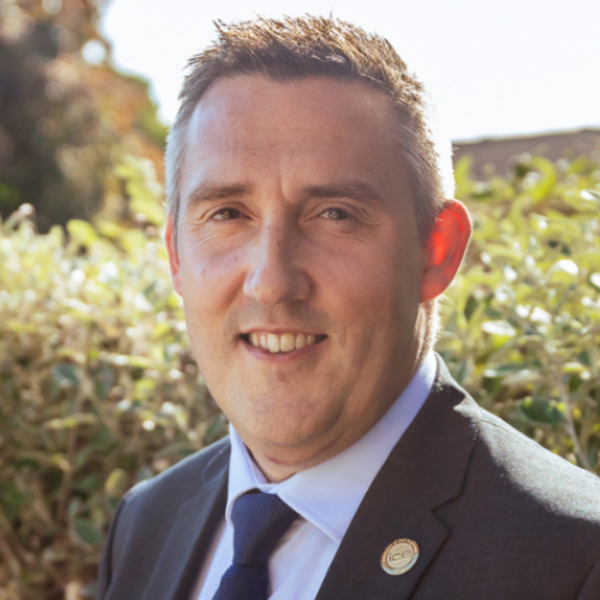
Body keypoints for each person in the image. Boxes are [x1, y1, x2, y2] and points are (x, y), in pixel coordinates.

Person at [96, 16, 600, 600]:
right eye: (228, 214)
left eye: (335, 214)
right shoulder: (147, 524)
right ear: (176, 255)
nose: (271, 282)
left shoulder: (572, 561)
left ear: (437, 252)